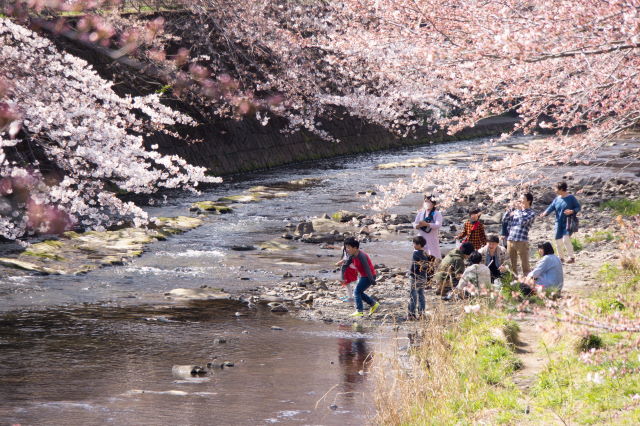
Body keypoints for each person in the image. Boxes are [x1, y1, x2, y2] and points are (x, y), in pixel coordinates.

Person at [540, 181, 581, 264]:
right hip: (558, 222)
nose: (554, 190)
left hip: (568, 222)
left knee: (566, 239)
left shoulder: (571, 198)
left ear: (561, 189)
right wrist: (545, 213)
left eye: (556, 189)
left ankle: (571, 257)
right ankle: (561, 258)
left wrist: (572, 211)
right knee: (558, 241)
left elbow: (578, 207)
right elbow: (551, 207)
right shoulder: (557, 199)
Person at [343, 237, 380, 317]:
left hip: (369, 276)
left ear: (355, 248)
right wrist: (342, 274)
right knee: (359, 292)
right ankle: (373, 303)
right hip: (364, 276)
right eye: (346, 248)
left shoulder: (362, 256)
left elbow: (367, 268)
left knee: (356, 292)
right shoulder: (352, 256)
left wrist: (372, 280)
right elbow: (346, 265)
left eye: (349, 247)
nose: (347, 249)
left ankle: (359, 311)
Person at [502, 192, 536, 276]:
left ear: (528, 201)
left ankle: (528, 283)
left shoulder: (531, 213)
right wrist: (510, 209)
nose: (520, 200)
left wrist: (520, 211)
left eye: (522, 198)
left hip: (522, 240)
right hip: (511, 239)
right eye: (519, 198)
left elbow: (522, 222)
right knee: (511, 263)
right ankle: (513, 282)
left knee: (525, 264)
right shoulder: (516, 210)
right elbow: (504, 220)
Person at [408, 236, 435, 319]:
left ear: (419, 245)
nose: (413, 245)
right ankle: (422, 313)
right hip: (423, 277)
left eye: (414, 244)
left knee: (413, 295)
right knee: (421, 294)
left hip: (415, 277)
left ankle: (411, 314)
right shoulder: (425, 253)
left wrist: (411, 273)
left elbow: (414, 266)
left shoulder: (415, 253)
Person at [413, 194, 443, 259]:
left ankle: (434, 267)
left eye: (429, 201)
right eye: (425, 201)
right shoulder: (421, 213)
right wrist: (418, 226)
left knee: (433, 253)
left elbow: (438, 225)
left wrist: (427, 224)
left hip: (431, 237)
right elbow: (415, 223)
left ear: (433, 203)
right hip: (421, 236)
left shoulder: (437, 213)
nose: (427, 203)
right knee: (420, 253)